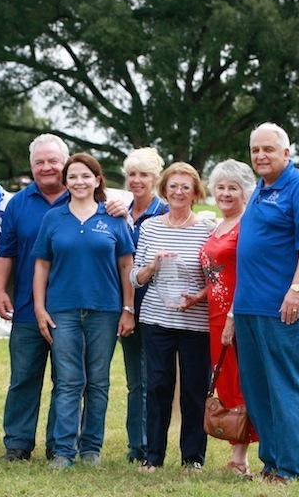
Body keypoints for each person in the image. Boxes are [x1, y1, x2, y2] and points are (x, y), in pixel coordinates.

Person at [232, 123, 299, 483]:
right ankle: (271, 463)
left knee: (285, 386)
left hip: (284, 306)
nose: (260, 156)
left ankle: (293, 469)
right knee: (257, 390)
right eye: (255, 150)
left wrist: (298, 288)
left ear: (287, 153)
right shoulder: (260, 190)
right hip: (249, 307)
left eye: (269, 149)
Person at [33, 153, 136, 469]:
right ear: (65, 182)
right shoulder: (54, 218)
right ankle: (64, 451)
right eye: (72, 177)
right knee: (67, 381)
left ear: (97, 180)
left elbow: (126, 266)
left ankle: (91, 449)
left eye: (85, 176)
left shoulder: (114, 217)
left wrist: (128, 308)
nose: (79, 182)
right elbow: (41, 265)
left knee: (98, 382)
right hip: (61, 311)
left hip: (104, 311)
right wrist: (39, 308)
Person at [130, 161, 214, 473]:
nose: (178, 192)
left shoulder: (208, 229)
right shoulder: (150, 227)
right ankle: (153, 456)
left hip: (195, 322)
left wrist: (199, 298)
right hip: (156, 319)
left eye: (185, 187)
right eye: (173, 186)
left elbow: (216, 279)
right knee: (158, 387)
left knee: (194, 389)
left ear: (195, 193)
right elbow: (135, 279)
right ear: (164, 190)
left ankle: (193, 458)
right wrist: (152, 266)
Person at [0, 134, 71, 462]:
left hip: (71, 309)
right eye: (39, 162)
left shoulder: (84, 199)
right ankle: (18, 443)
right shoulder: (18, 203)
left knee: (66, 381)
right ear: (31, 166)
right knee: (23, 378)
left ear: (65, 163)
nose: (46, 167)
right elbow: (5, 251)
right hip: (26, 306)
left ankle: (60, 443)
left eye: (53, 160)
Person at [199, 159, 259, 477]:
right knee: (227, 382)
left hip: (236, 314)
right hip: (214, 314)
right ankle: (238, 456)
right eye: (220, 187)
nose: (225, 193)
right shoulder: (218, 225)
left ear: (245, 191)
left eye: (232, 187)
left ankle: (241, 458)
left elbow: (248, 274)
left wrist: (233, 316)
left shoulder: (246, 225)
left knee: (239, 385)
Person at [120, 147, 168, 463]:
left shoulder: (164, 214)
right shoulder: (119, 212)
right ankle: (136, 444)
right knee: (135, 381)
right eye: (132, 175)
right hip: (123, 308)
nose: (137, 181)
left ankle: (150, 444)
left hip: (153, 308)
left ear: (156, 179)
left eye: (144, 175)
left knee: (153, 381)